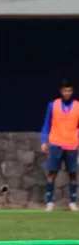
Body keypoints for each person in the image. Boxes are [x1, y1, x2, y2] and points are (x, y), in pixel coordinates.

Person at [40, 79, 79, 212]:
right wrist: (44, 141)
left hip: (72, 144)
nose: (67, 93)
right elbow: (47, 124)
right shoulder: (53, 105)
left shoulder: (77, 106)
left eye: (69, 90)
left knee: (73, 173)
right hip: (56, 143)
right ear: (61, 91)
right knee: (52, 173)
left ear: (72, 91)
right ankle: (50, 202)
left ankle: (73, 202)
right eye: (65, 90)